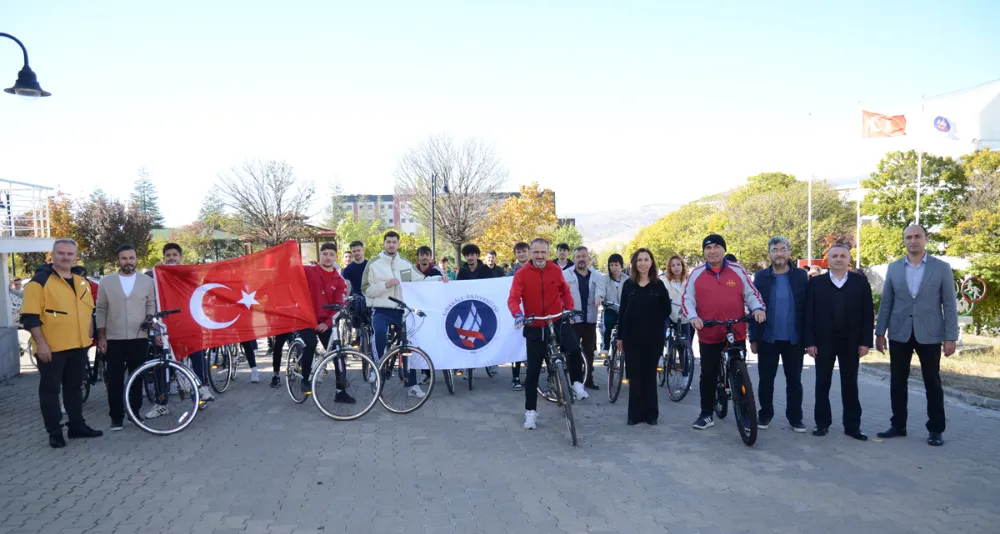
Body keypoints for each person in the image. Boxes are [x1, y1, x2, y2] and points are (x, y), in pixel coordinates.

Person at [875, 225, 959, 447]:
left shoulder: (941, 268)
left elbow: (949, 305)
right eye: (908, 237)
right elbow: (886, 303)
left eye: (917, 236)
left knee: (932, 382)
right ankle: (898, 425)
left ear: (925, 239)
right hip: (900, 332)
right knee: (897, 381)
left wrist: (951, 336)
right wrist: (879, 332)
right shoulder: (893, 268)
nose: (913, 241)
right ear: (903, 240)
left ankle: (935, 429)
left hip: (930, 334)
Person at [21, 238, 103, 447]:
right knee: (50, 391)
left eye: (70, 254)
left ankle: (77, 426)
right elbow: (30, 318)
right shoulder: (38, 282)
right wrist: (42, 344)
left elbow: (87, 311)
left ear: (75, 256)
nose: (66, 257)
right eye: (61, 253)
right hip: (52, 348)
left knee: (74, 388)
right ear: (52, 255)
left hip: (78, 346)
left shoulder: (81, 281)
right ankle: (54, 432)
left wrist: (90, 334)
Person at [682, 234, 766, 430]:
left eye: (717, 246)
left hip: (735, 330)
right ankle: (706, 413)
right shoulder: (696, 273)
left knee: (739, 374)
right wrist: (693, 316)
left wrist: (758, 309)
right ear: (704, 252)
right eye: (708, 247)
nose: (712, 251)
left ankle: (746, 414)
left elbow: (752, 294)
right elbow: (687, 300)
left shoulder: (737, 271)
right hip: (709, 332)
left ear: (724, 250)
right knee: (708, 374)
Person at [508, 238, 589, 430]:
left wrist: (569, 309)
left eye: (543, 252)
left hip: (557, 318)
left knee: (575, 348)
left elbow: (565, 291)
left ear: (548, 252)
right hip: (535, 323)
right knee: (533, 371)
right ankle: (530, 413)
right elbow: (513, 298)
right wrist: (518, 314)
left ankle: (577, 384)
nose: (540, 256)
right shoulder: (521, 274)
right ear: (530, 253)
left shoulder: (555, 270)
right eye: (535, 252)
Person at [362, 231, 447, 397]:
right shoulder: (373, 264)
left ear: (398, 244)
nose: (391, 245)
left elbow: (420, 281)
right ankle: (376, 368)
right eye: (389, 242)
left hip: (402, 311)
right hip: (381, 309)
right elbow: (366, 290)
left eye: (394, 242)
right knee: (379, 333)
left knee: (409, 344)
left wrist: (439, 279)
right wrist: (385, 285)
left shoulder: (405, 264)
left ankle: (412, 384)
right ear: (384, 244)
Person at [804, 243, 874, 440]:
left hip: (851, 342)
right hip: (823, 341)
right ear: (828, 260)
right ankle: (822, 423)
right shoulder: (816, 283)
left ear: (849, 259)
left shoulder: (860, 282)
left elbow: (867, 314)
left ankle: (852, 426)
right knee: (822, 383)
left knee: (850, 384)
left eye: (843, 255)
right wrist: (810, 342)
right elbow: (808, 314)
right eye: (834, 256)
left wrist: (865, 342)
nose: (839, 259)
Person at [749, 237, 808, 433]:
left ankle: (795, 418)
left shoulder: (801, 276)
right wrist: (754, 337)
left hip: (794, 339)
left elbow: (808, 308)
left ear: (789, 253)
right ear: (769, 254)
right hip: (768, 338)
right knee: (766, 380)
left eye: (783, 249)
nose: (779, 253)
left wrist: (809, 339)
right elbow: (753, 306)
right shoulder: (761, 277)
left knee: (794, 381)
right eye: (775, 250)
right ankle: (765, 415)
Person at [96, 244, 157, 431]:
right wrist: (102, 336)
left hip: (139, 337)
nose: (128, 261)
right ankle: (116, 416)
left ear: (136, 259)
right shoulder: (107, 282)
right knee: (114, 379)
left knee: (137, 376)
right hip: (114, 338)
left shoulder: (146, 282)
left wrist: (150, 321)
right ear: (118, 260)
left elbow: (151, 305)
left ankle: (134, 412)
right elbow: (101, 309)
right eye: (124, 258)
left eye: (131, 258)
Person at [154, 243, 215, 412]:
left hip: (190, 323)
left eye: (175, 254)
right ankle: (162, 403)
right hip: (168, 326)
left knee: (197, 357)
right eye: (168, 255)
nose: (171, 257)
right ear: (164, 257)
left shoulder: (190, 273)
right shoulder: (158, 276)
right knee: (165, 365)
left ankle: (201, 390)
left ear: (180, 257)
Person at [617, 249, 672, 425]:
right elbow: (622, 312)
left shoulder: (658, 285)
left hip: (653, 338)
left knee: (649, 375)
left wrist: (653, 319)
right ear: (634, 263)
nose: (642, 263)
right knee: (634, 375)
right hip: (631, 337)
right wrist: (620, 337)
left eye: (646, 259)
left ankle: (651, 414)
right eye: (639, 260)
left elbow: (667, 309)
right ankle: (634, 414)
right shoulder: (628, 285)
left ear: (651, 262)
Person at [296, 242, 354, 401]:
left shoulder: (339, 280)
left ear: (336, 258)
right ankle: (305, 378)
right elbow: (289, 271)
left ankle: (340, 391)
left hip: (324, 322)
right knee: (310, 343)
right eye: (325, 254)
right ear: (320, 255)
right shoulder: (308, 271)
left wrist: (327, 323)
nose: (327, 257)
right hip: (306, 319)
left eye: (331, 254)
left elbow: (339, 306)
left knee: (338, 353)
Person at [564, 245, 604, 390]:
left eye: (583, 256)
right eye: (578, 257)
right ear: (573, 259)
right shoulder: (565, 274)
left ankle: (589, 378)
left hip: (590, 319)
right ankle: (574, 380)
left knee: (589, 351)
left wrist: (599, 295)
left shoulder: (596, 274)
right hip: (573, 320)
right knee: (573, 351)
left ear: (588, 258)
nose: (581, 259)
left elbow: (600, 288)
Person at [506, 242, 531, 390]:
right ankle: (515, 377)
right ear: (515, 254)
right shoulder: (510, 274)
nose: (521, 254)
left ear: (528, 252)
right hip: (516, 313)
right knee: (516, 343)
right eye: (518, 252)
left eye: (523, 251)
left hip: (533, 311)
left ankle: (531, 376)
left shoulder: (536, 269)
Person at [661, 254, 691, 360]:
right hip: (668, 313)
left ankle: (685, 375)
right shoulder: (665, 281)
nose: (676, 267)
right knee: (662, 332)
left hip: (683, 316)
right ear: (669, 268)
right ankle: (661, 356)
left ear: (683, 266)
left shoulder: (689, 281)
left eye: (678, 264)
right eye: (673, 265)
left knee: (685, 347)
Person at [600, 254, 626, 354]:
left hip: (623, 309)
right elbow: (600, 290)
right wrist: (600, 297)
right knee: (609, 322)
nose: (614, 268)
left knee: (626, 325)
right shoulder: (605, 279)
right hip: (610, 307)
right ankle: (606, 346)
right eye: (611, 265)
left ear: (621, 266)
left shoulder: (627, 279)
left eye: (616, 265)